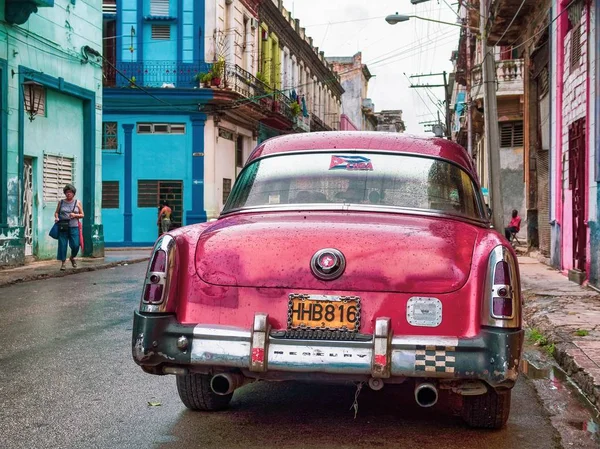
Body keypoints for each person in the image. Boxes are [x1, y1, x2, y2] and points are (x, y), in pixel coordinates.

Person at [54, 184, 84, 271]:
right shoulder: (61, 202)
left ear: (73, 193)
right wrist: (56, 217)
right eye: (67, 192)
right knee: (62, 245)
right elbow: (56, 212)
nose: (68, 194)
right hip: (63, 227)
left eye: (70, 192)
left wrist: (75, 215)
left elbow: (82, 215)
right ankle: (63, 263)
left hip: (74, 227)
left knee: (75, 245)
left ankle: (72, 257)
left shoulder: (77, 202)